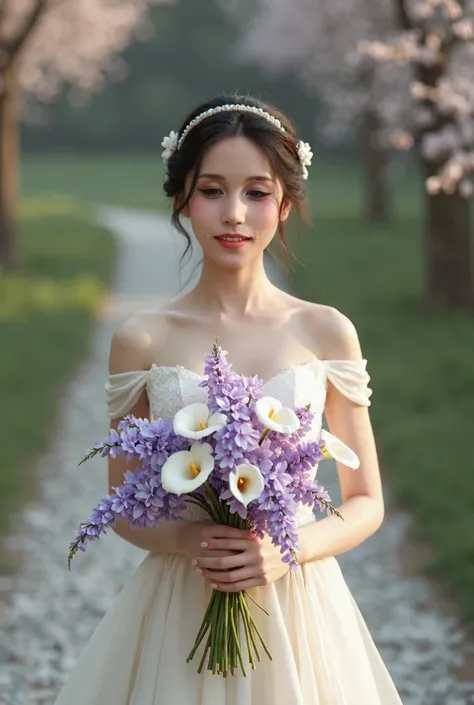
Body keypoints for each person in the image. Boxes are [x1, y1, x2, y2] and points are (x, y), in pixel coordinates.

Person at [54, 94, 403, 704]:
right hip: (181, 600)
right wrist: (191, 540)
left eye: (257, 193)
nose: (234, 214)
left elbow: (367, 500)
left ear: (286, 203)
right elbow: (123, 501)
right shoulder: (143, 337)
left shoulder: (325, 332)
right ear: (182, 199)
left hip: (296, 598)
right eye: (212, 190)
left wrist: (286, 553)